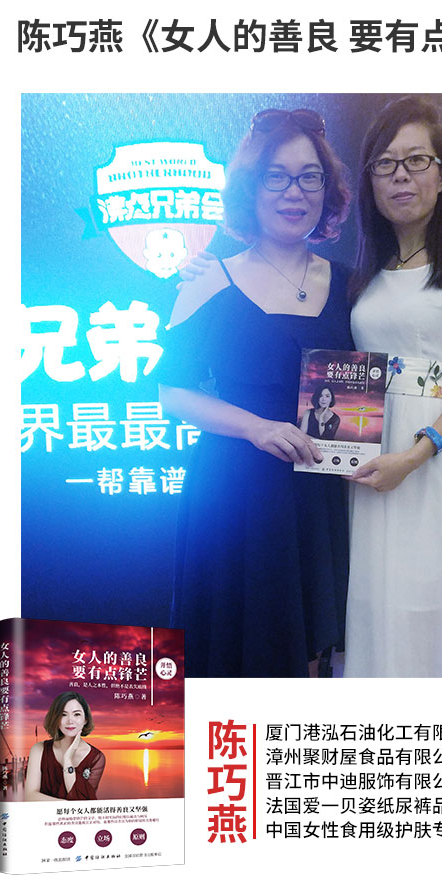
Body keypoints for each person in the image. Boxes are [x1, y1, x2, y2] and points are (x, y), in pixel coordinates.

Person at [157, 108, 353, 677]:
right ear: (250, 186)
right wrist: (257, 428)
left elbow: (391, 370)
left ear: (327, 189)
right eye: (276, 176)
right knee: (237, 650)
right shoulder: (209, 278)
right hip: (235, 494)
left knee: (316, 653)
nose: (294, 192)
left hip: (320, 493)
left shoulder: (350, 284)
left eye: (310, 176)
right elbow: (172, 393)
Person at [344, 96, 442, 677]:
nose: (401, 176)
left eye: (417, 160)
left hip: (433, 461)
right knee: (379, 606)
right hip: (370, 464)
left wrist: (415, 455)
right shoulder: (362, 272)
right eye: (385, 164)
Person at [25, 692, 105, 801]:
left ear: (85, 719)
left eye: (77, 714)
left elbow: (83, 802)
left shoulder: (96, 758)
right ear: (55, 718)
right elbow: (30, 797)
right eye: (63, 714)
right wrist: (68, 806)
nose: (70, 721)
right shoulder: (39, 749)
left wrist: (68, 760)